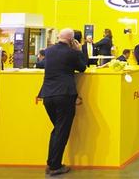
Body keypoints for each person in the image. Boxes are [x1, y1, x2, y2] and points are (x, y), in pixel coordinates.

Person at [38, 28, 87, 176]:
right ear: (72, 40)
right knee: (61, 131)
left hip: (47, 95)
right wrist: (79, 51)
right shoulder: (72, 53)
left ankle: (51, 162)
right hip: (64, 95)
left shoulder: (48, 51)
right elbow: (82, 67)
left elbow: (41, 64)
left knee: (57, 129)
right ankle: (55, 166)